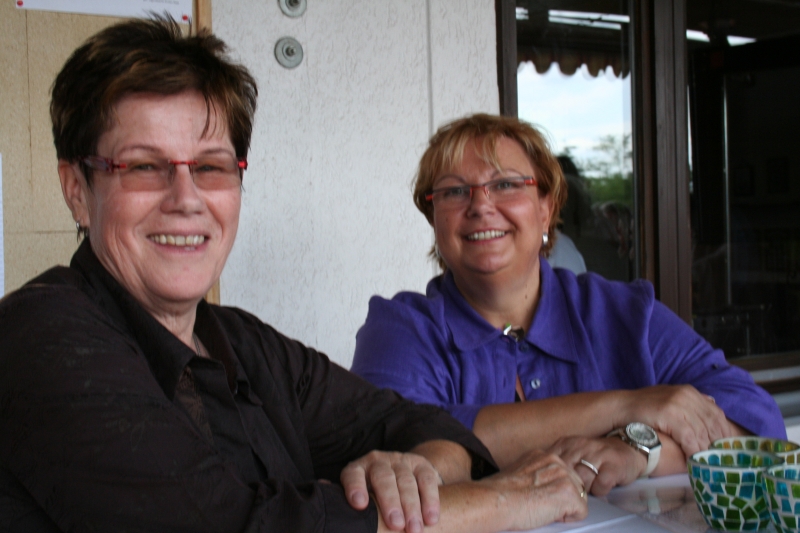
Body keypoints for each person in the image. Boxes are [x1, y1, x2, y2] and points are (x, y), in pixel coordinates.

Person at [0, 21, 588, 533]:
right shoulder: (37, 337)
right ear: (77, 190)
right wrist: (502, 501)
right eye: (144, 166)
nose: (186, 199)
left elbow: (421, 424)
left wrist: (417, 473)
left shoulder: (245, 344)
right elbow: (228, 525)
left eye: (211, 166)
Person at [351, 113, 785, 496]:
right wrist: (626, 407)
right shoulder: (401, 328)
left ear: (546, 207)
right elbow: (396, 442)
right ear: (434, 219)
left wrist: (638, 451)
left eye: (506, 184)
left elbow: (757, 423)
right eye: (454, 192)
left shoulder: (626, 313)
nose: (480, 205)